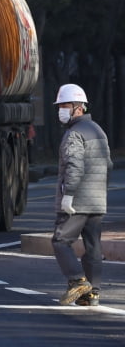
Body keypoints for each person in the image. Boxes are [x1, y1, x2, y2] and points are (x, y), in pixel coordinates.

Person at [52, 83, 110, 306]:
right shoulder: (99, 131)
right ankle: (92, 293)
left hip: (77, 201)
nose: (61, 110)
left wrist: (69, 195)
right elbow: (109, 164)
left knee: (60, 240)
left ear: (78, 108)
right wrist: (100, 190)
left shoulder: (74, 133)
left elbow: (74, 165)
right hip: (97, 200)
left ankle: (77, 281)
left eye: (64, 105)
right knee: (93, 245)